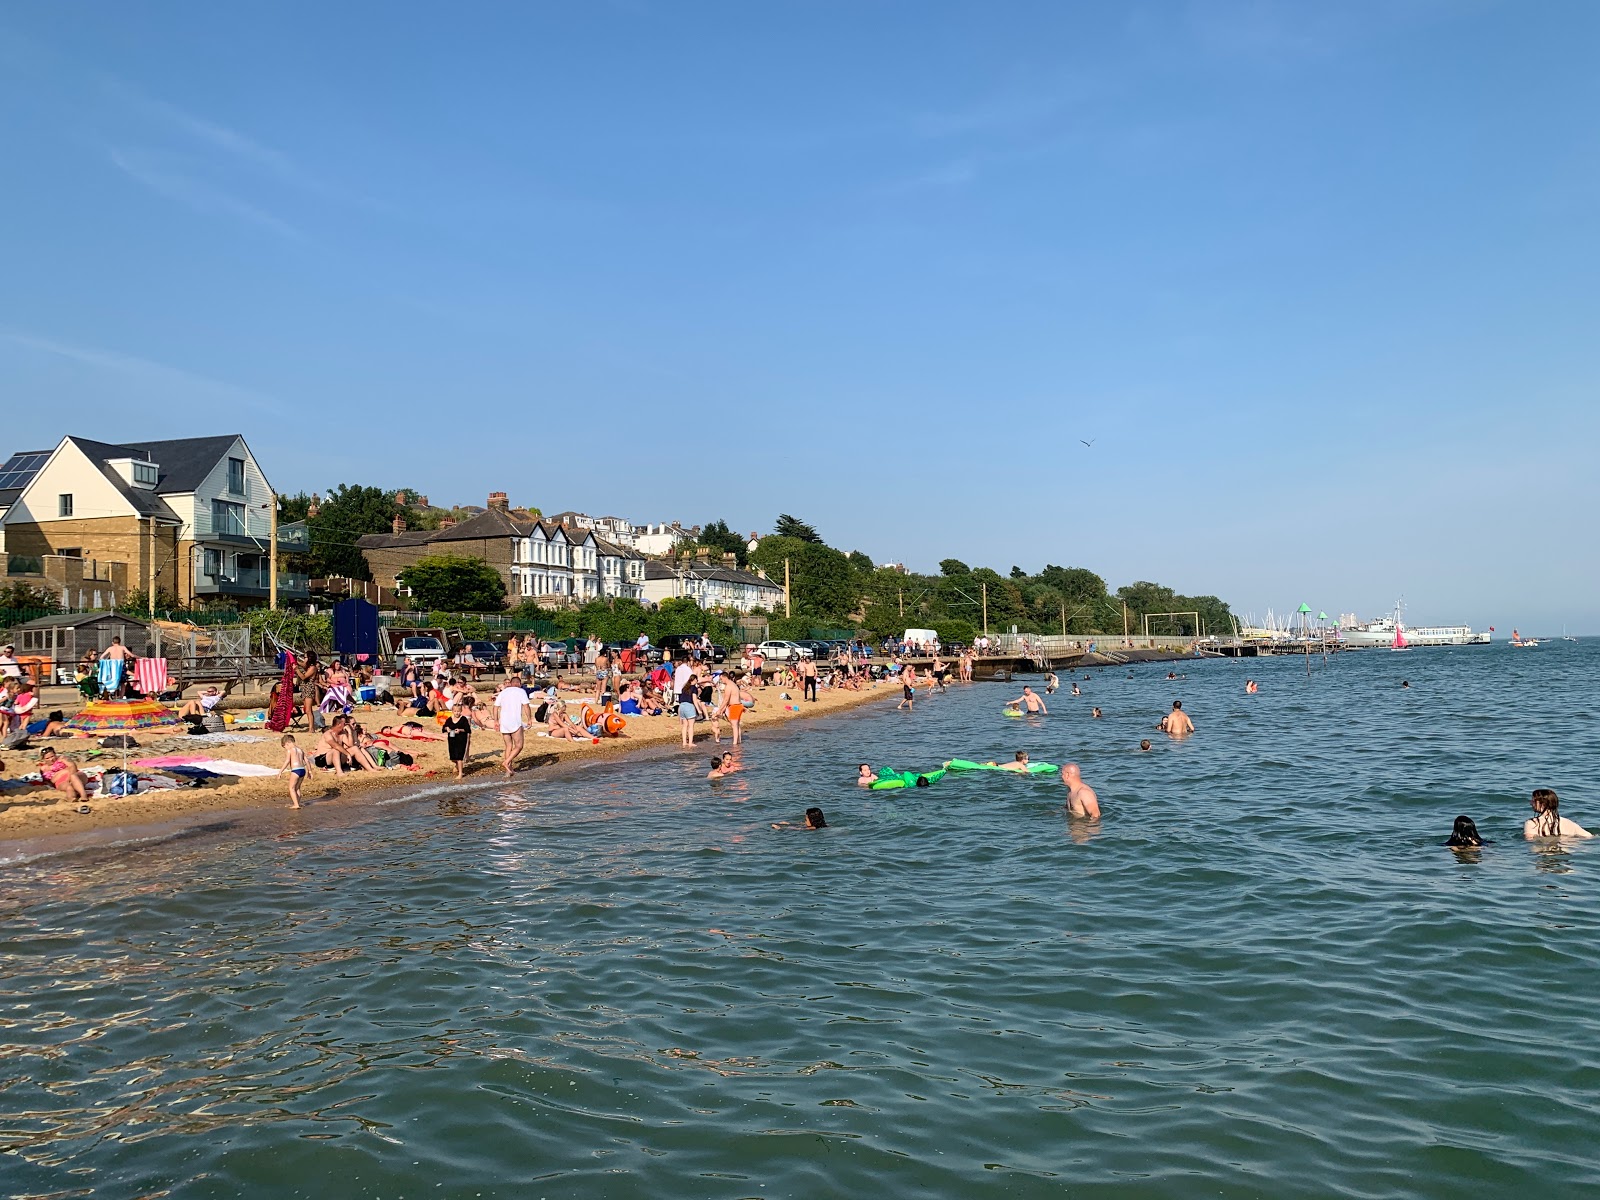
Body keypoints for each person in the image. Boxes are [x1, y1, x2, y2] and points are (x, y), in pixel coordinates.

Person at [493, 677, 531, 776]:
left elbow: (495, 707)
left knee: (508, 746)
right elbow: (526, 706)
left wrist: (496, 721)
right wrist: (529, 719)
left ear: (510, 683)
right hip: (515, 721)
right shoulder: (521, 691)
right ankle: (506, 762)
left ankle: (508, 771)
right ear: (519, 683)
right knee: (519, 745)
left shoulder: (503, 692)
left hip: (504, 721)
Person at [1524, 788, 1593, 839]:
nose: (1530, 803)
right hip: (1564, 853)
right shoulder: (1569, 823)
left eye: (1533, 801)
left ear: (1543, 804)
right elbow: (1590, 837)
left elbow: (1530, 841)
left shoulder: (1532, 823)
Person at [278, 734, 310, 808]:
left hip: (296, 770)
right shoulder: (300, 750)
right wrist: (309, 771)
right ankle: (297, 802)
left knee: (291, 788)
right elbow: (307, 761)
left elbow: (287, 761)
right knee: (297, 788)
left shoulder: (290, 750)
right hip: (303, 770)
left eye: (285, 747)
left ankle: (296, 805)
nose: (286, 748)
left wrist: (280, 771)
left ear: (287, 743)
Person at [441, 706, 472, 779]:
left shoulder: (463, 719)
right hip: (452, 739)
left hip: (461, 739)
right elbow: (444, 728)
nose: (457, 713)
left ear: (461, 711)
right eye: (455, 711)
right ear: (452, 711)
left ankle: (460, 773)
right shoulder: (449, 719)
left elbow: (468, 730)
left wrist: (460, 730)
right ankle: (457, 765)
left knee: (459, 757)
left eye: (458, 711)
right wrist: (447, 728)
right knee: (453, 757)